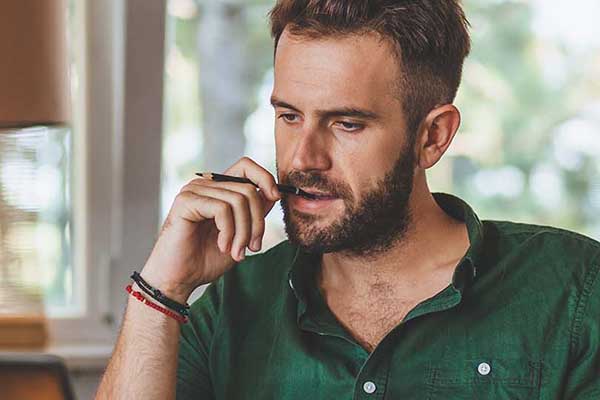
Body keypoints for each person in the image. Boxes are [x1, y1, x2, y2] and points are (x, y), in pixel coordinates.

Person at [96, 1, 600, 399]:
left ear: (433, 136)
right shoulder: (235, 305)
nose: (303, 157)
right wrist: (161, 289)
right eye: (289, 116)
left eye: (347, 123)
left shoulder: (573, 291)